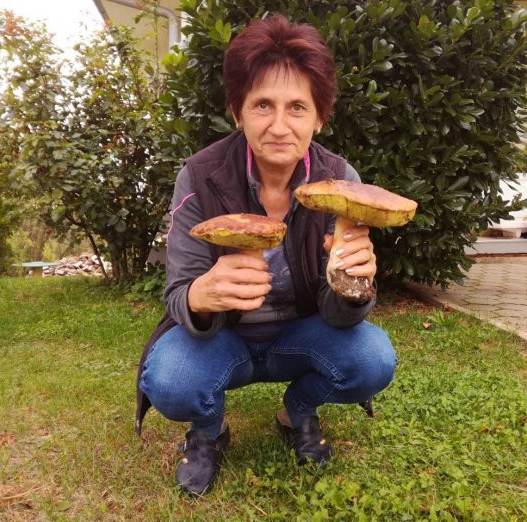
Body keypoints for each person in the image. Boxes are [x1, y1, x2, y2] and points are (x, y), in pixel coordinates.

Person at [135, 14, 397, 497]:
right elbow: (177, 292)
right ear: (238, 112)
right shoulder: (199, 176)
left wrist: (355, 287)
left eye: (297, 107)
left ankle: (298, 411)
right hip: (222, 341)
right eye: (262, 105)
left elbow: (339, 317)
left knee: (372, 358)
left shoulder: (341, 183)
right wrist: (200, 296)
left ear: (320, 117)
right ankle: (209, 430)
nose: (279, 126)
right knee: (171, 379)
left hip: (302, 336)